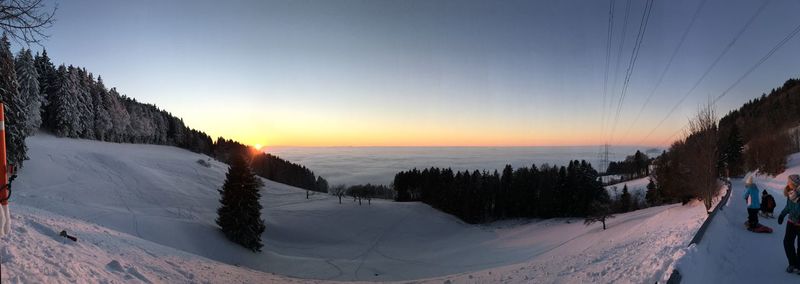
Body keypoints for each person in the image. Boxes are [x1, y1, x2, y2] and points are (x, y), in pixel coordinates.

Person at [778, 174, 800, 274]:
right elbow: (788, 207)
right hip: (791, 222)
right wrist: (782, 215)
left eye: (789, 182)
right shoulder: (790, 193)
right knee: (787, 243)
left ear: (794, 184)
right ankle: (793, 263)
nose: (787, 183)